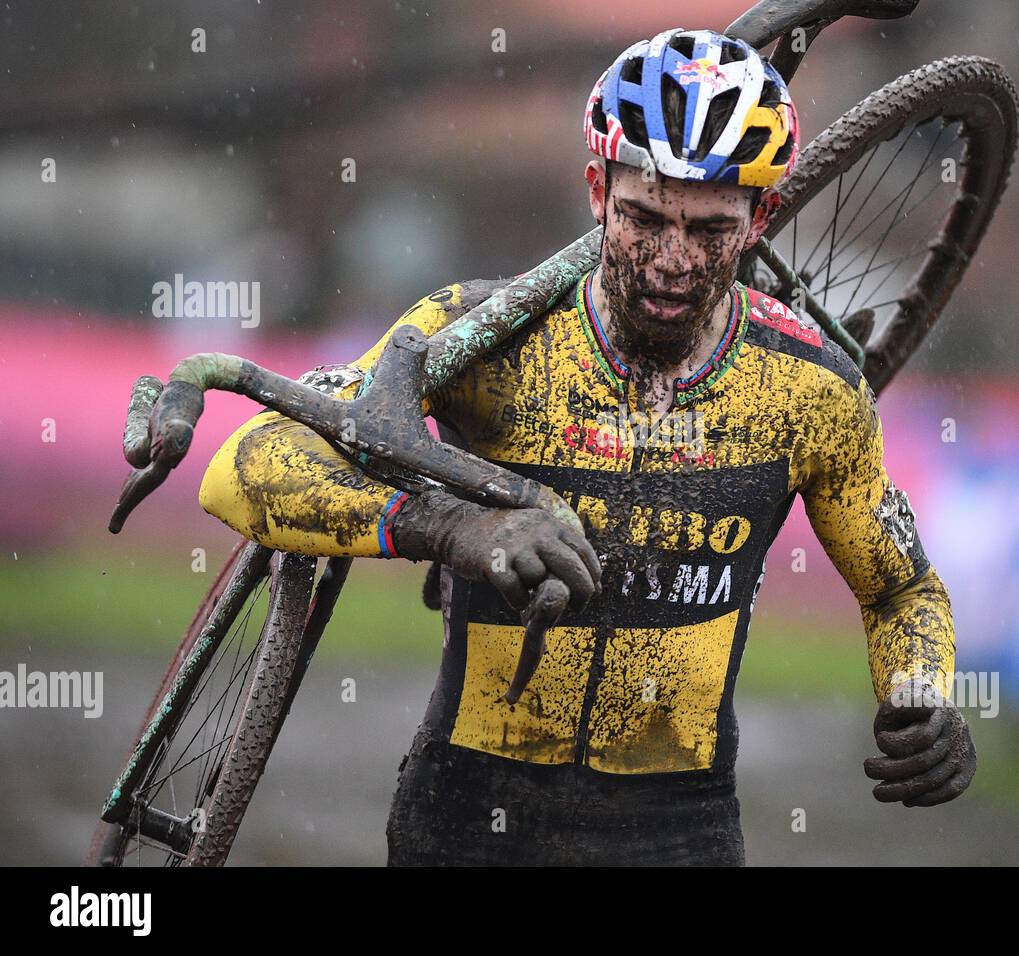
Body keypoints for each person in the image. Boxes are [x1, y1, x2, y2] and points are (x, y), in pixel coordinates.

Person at [197, 27, 974, 866]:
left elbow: (902, 590)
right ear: (597, 189)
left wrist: (921, 694)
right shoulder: (486, 334)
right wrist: (454, 529)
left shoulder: (811, 391)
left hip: (678, 831)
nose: (672, 261)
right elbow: (240, 468)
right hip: (466, 812)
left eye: (710, 228)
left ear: (763, 217)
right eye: (643, 217)